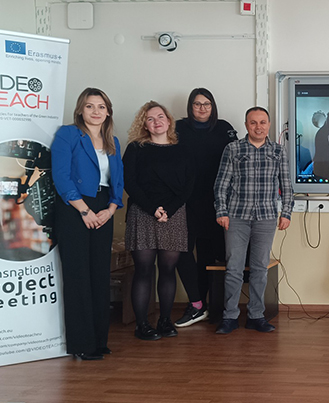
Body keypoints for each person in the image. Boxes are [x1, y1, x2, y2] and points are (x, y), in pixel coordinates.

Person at [51, 88, 123, 360]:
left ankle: (99, 340)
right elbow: (61, 176)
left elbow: (118, 181)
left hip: (104, 208)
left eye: (101, 106)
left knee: (99, 275)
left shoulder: (112, 141)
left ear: (108, 111)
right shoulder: (68, 135)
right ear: (81, 110)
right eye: (90, 106)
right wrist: (84, 210)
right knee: (78, 276)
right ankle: (83, 344)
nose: (96, 111)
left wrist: (111, 208)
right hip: (74, 208)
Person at [213, 107, 293, 334]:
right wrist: (221, 211)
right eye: (253, 122)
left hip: (266, 217)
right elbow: (221, 184)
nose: (258, 127)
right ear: (247, 125)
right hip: (237, 216)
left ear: (268, 125)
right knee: (234, 269)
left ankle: (256, 316)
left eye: (263, 122)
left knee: (260, 269)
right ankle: (229, 317)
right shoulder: (233, 149)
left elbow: (286, 185)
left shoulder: (278, 151)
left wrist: (286, 213)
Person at [123, 101, 193, 340]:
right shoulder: (135, 148)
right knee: (143, 270)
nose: (156, 121)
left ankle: (165, 321)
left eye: (160, 116)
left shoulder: (183, 149)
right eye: (150, 118)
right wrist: (153, 209)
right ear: (144, 124)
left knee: (168, 269)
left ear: (169, 120)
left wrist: (168, 210)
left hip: (173, 214)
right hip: (142, 213)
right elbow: (129, 183)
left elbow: (189, 186)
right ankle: (142, 324)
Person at [173, 88, 238, 328]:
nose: (202, 108)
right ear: (190, 107)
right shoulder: (178, 129)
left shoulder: (223, 128)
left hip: (217, 202)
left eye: (207, 104)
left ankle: (216, 308)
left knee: (211, 257)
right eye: (197, 104)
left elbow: (237, 162)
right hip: (185, 202)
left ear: (213, 107)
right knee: (181, 251)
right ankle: (197, 303)